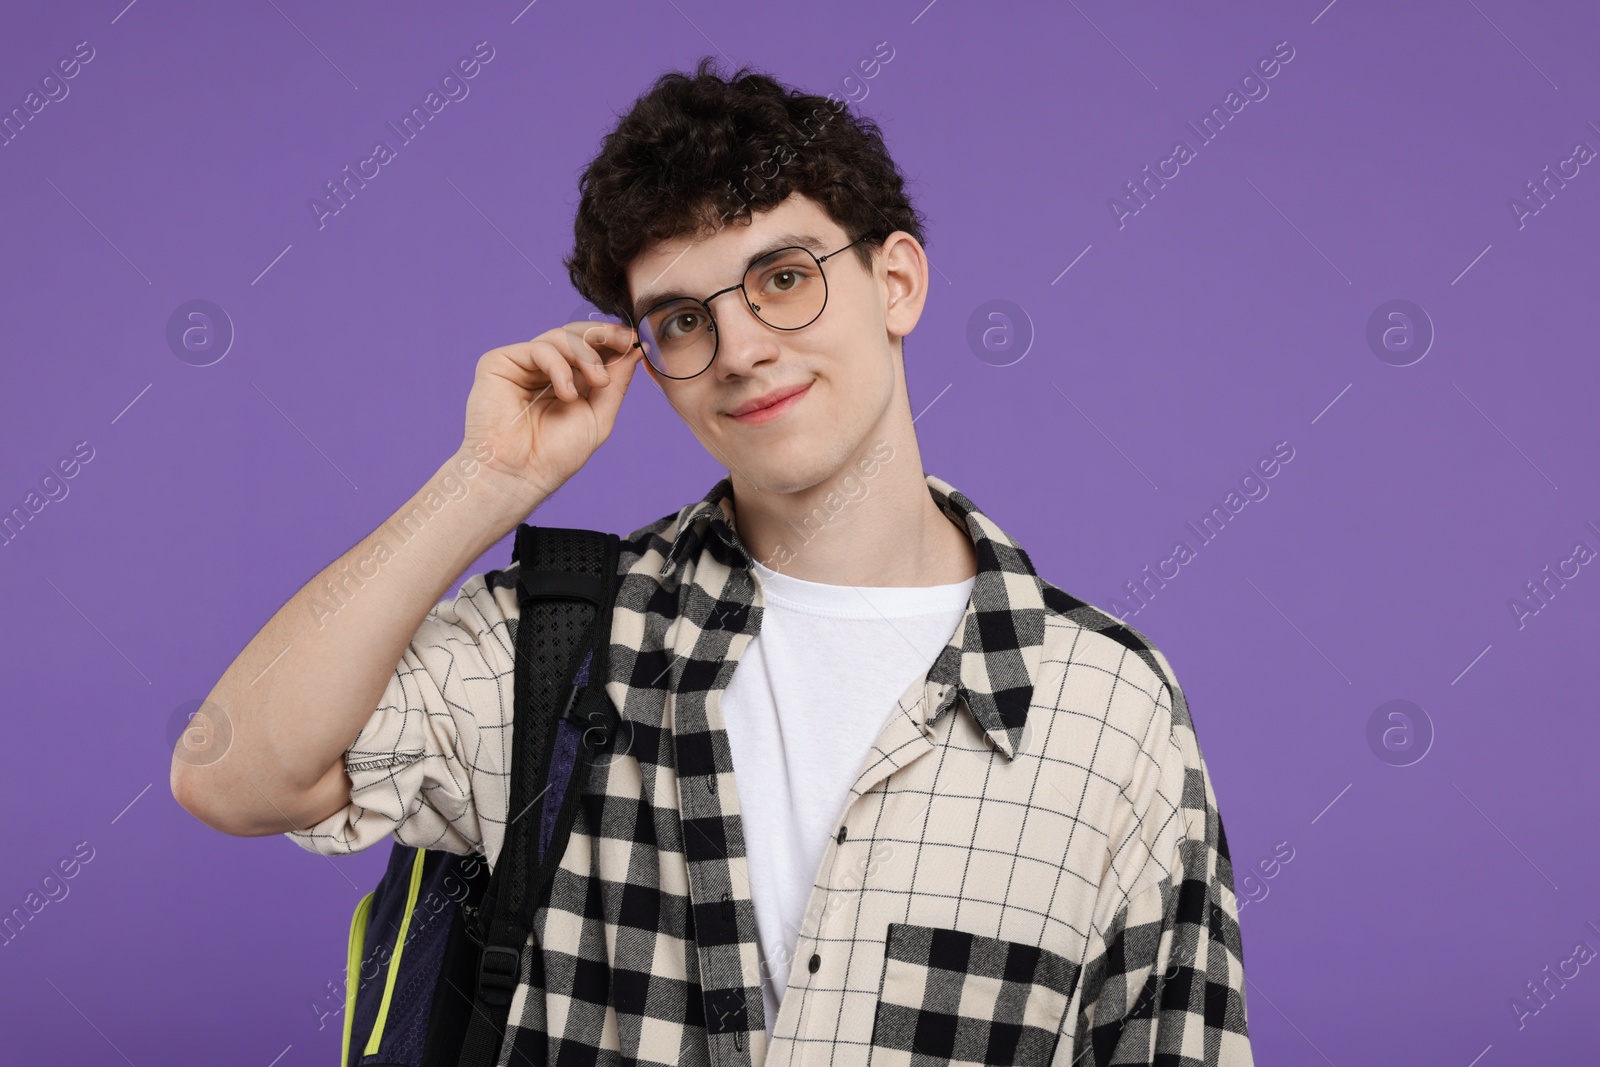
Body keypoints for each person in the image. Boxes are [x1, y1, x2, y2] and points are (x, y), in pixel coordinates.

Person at [172, 57, 1254, 1066]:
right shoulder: (571, 640)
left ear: (898, 283)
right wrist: (485, 480)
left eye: (783, 277)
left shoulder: (1106, 706)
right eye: (684, 319)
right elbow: (232, 773)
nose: (739, 348)